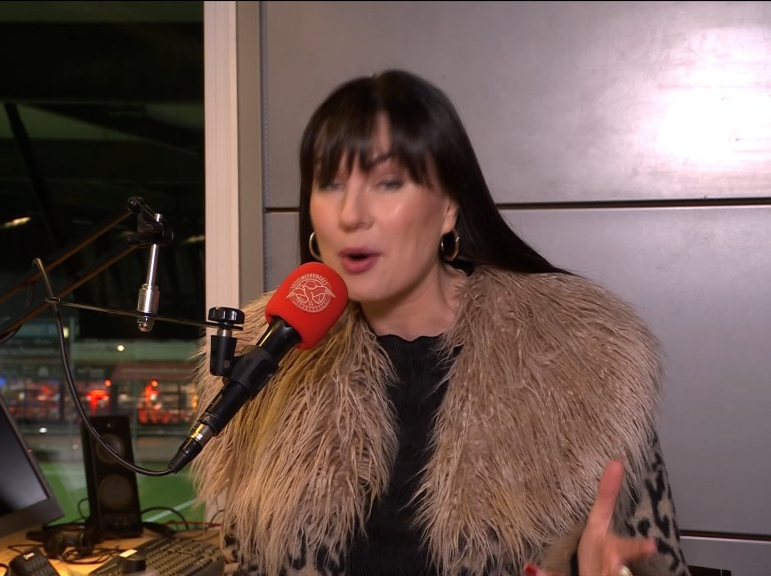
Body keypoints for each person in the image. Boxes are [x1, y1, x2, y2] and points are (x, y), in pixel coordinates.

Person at [190, 69, 689, 576]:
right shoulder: (267, 358)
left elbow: (657, 561)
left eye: (387, 183)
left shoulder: (580, 355)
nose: (350, 214)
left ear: (449, 207)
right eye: (330, 184)